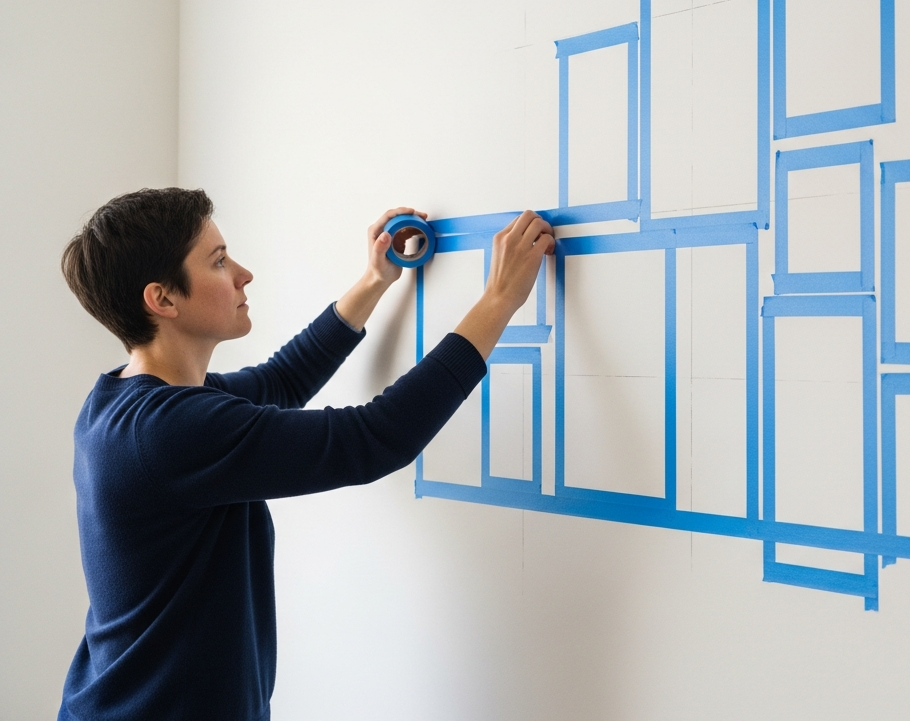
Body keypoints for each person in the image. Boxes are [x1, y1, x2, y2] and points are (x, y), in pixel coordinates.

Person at [56, 187, 554, 721]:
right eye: (219, 262)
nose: (244, 274)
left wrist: (373, 281)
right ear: (164, 299)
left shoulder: (127, 401)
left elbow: (281, 381)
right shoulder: (167, 432)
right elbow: (375, 439)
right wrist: (498, 298)